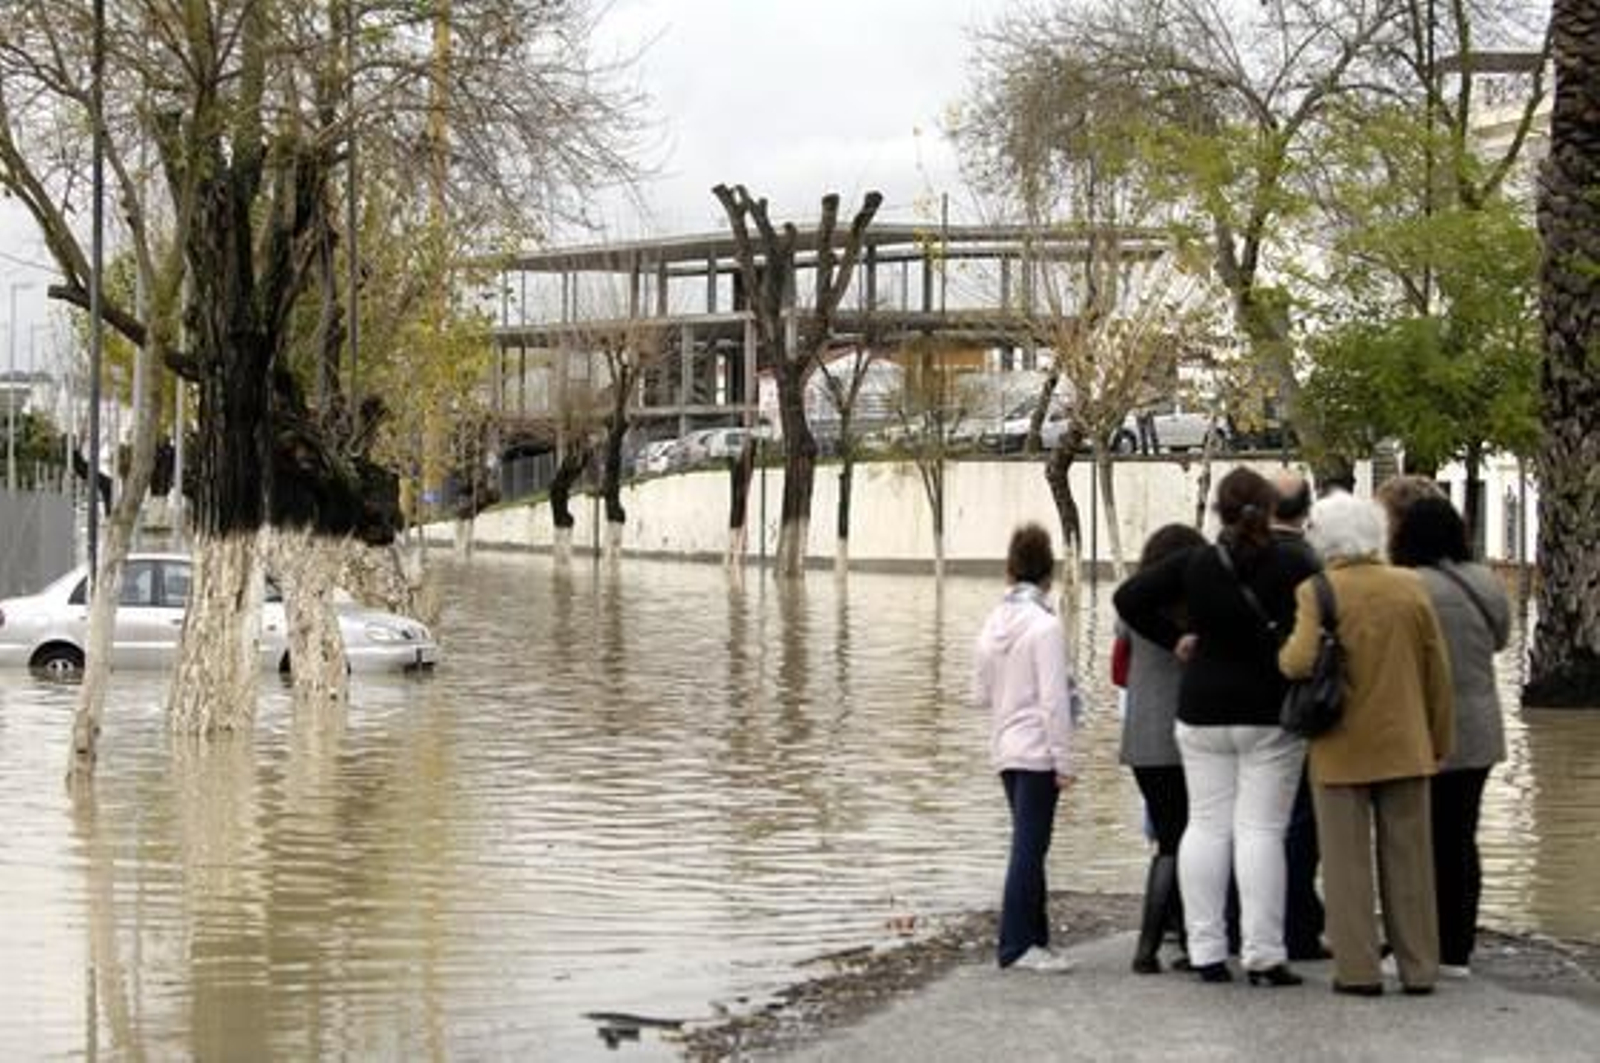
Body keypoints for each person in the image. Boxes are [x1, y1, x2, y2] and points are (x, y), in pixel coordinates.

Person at [1114, 467, 1319, 986]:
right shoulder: (1295, 561)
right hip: (1268, 711)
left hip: (1201, 709)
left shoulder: (1195, 562)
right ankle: (1263, 954)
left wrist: (1176, 637)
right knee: (1261, 832)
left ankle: (1205, 951)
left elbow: (1128, 599)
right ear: (1270, 509)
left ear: (1218, 511)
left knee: (1204, 827)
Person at [1280, 493, 1455, 997]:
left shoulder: (1318, 591)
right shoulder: (1411, 586)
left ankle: (1358, 970)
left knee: (1345, 863)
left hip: (1339, 745)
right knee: (1410, 862)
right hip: (1406, 742)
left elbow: (1297, 661)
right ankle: (1419, 967)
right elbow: (1436, 673)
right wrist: (1439, 740)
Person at [1388, 494, 1511, 978]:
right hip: (1480, 728)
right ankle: (1458, 948)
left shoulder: (1407, 587)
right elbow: (1502, 639)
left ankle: (1418, 941)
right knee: (1462, 838)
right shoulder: (1486, 582)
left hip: (1422, 727)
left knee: (1417, 840)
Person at [972, 523, 1079, 972]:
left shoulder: (993, 622)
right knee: (1030, 846)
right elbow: (1055, 701)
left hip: (1005, 746)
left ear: (1009, 570)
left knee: (1029, 843)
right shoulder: (1046, 626)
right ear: (1048, 572)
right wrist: (1065, 760)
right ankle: (1016, 945)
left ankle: (1036, 937)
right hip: (1038, 749)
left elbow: (978, 693)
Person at [1118, 523, 1208, 974]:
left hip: (1140, 737)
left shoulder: (1133, 605)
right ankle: (1182, 940)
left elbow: (1120, 666)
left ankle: (1153, 942)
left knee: (1168, 837)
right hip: (1184, 735)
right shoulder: (1195, 608)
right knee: (1188, 836)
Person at [1271, 469, 1329, 962]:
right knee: (1300, 822)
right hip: (1300, 709)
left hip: (1237, 710)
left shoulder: (1230, 557)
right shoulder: (1312, 566)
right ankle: (1298, 924)